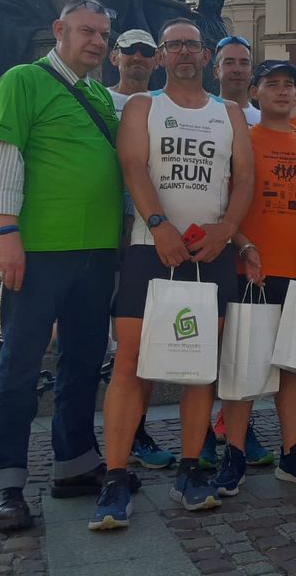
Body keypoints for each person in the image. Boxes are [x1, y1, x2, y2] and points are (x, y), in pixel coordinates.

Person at [90, 19, 253, 529]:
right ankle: (115, 477)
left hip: (210, 254)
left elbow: (245, 177)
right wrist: (158, 224)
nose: (183, 51)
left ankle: (190, 467)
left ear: (206, 56)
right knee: (132, 364)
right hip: (148, 250)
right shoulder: (143, 106)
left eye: (192, 44)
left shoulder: (228, 113)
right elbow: (133, 166)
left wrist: (227, 230)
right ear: (161, 56)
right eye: (173, 44)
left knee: (200, 366)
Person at [0, 0, 125, 532]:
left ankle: (74, 464)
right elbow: (1, 153)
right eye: (87, 31)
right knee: (20, 364)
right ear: (59, 30)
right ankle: (8, 483)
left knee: (83, 360)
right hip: (38, 250)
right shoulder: (22, 80)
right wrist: (5, 232)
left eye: (103, 35)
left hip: (96, 253)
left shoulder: (99, 97)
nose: (97, 42)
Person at [219, 60, 296, 494]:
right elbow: (225, 202)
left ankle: (292, 454)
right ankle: (233, 454)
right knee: (241, 369)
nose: (282, 92)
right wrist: (242, 243)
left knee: (293, 370)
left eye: (290, 85)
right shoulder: (241, 142)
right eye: (272, 85)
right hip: (250, 271)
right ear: (255, 93)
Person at [104, 28, 177, 472]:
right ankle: (82, 444)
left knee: (140, 347)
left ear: (157, 60)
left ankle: (138, 430)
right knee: (94, 346)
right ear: (115, 56)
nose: (136, 57)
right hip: (96, 233)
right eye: (129, 50)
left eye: (146, 52)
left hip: (145, 241)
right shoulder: (96, 99)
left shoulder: (163, 107)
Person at [213, 35, 260, 125]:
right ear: (216, 71)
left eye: (244, 63)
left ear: (252, 72)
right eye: (229, 63)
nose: (237, 70)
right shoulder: (200, 116)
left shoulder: (262, 122)